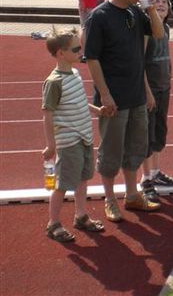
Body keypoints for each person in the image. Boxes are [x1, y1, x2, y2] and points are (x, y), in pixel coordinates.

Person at [84, 0, 164, 222]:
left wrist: (150, 8)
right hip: (114, 98)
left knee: (135, 148)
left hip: (136, 95)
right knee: (111, 150)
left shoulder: (135, 12)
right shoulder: (99, 17)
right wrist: (105, 94)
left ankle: (132, 196)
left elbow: (159, 33)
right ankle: (110, 200)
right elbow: (92, 59)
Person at [42, 27, 105, 242]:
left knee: (83, 179)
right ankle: (53, 223)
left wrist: (96, 110)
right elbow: (47, 114)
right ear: (61, 53)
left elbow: (78, 102)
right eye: (76, 49)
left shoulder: (75, 74)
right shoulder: (54, 82)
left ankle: (81, 215)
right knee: (62, 184)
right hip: (69, 141)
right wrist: (51, 145)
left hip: (84, 137)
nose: (81, 52)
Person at [140, 0, 173, 202]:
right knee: (147, 134)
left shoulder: (166, 28)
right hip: (151, 89)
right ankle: (145, 178)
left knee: (159, 130)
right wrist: (147, 91)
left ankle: (155, 172)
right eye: (157, 2)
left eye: (165, 2)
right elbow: (140, 62)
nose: (162, 4)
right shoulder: (147, 30)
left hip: (164, 87)